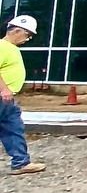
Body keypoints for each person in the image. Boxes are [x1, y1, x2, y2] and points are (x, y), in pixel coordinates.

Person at [1, 14, 45, 176]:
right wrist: (4, 89)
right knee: (12, 128)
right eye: (27, 35)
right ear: (16, 31)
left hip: (7, 100)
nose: (27, 39)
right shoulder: (2, 47)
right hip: (2, 96)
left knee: (13, 129)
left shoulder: (11, 49)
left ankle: (20, 162)